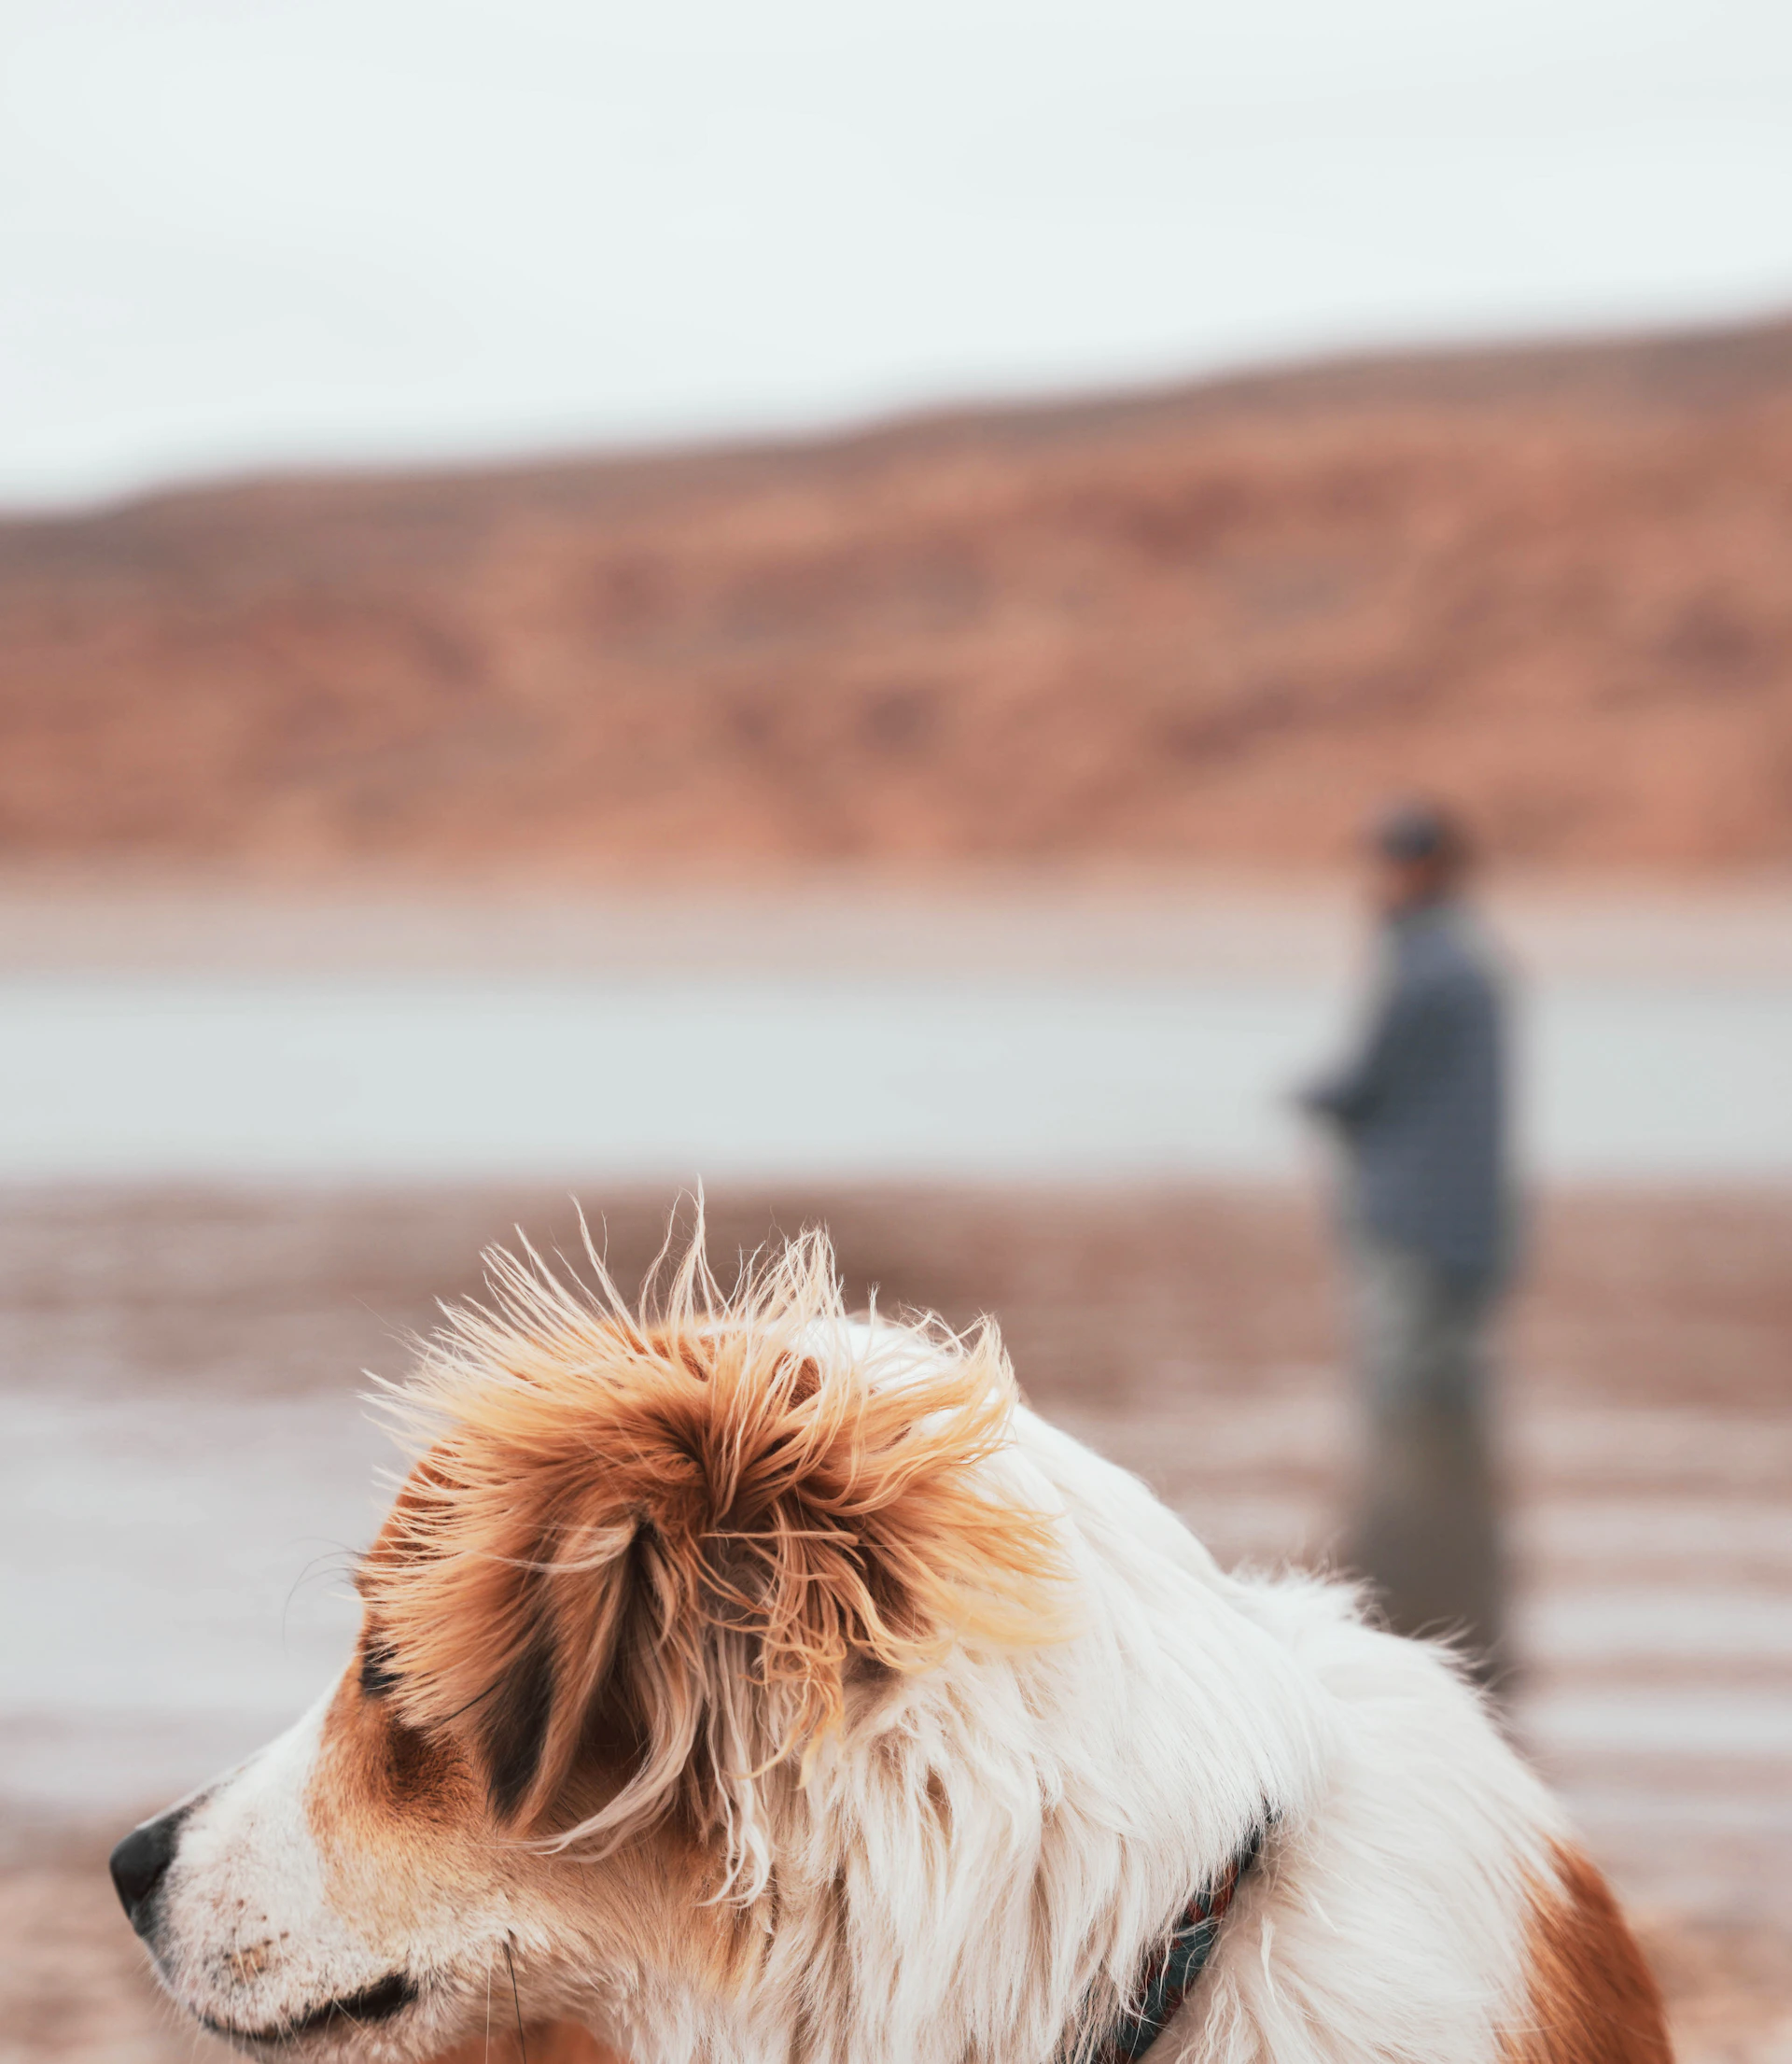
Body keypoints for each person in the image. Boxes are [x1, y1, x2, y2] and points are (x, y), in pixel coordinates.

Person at [1297, 799, 1517, 1691]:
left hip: (1417, 1220)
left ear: (1423, 868)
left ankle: (1413, 1553)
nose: (1380, 877)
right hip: (1467, 1217)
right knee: (1449, 1392)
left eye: (1393, 861)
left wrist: (1313, 1096)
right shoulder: (1468, 959)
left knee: (1404, 1394)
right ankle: (1456, 1548)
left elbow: (1367, 1080)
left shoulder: (1430, 966)